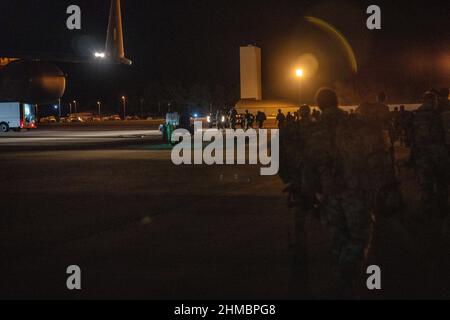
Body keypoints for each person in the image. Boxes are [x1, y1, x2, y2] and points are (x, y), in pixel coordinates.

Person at [410, 91, 449, 219]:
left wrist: (413, 156)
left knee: (425, 184)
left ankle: (427, 211)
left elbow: (412, 138)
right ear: (434, 101)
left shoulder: (415, 116)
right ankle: (443, 209)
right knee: (442, 182)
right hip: (439, 153)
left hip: (422, 154)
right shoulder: (440, 115)